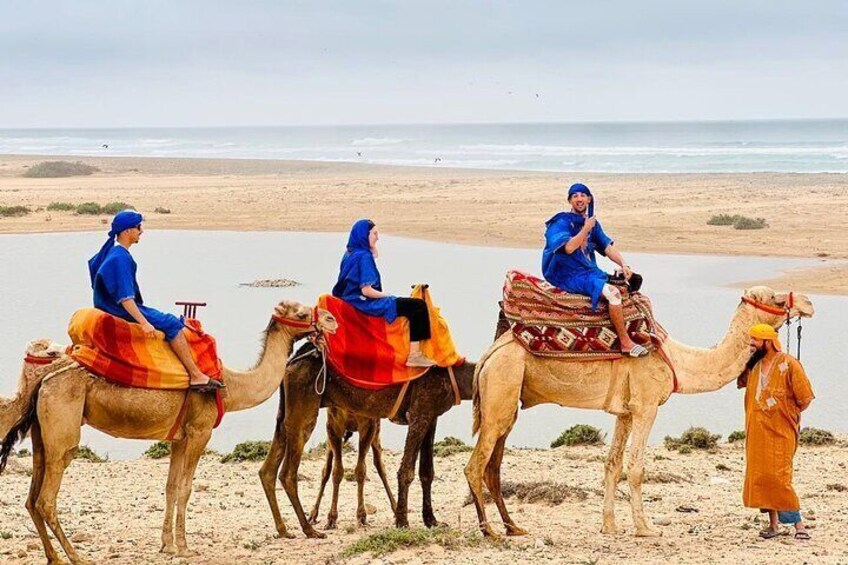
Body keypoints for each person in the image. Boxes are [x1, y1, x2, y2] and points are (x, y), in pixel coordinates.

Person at [88, 210, 224, 392]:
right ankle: (195, 375)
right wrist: (144, 323)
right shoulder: (120, 258)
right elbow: (125, 298)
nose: (141, 231)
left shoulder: (114, 254)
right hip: (118, 310)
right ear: (127, 231)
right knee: (171, 323)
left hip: (111, 306)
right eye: (138, 227)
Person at [542, 183, 647, 357]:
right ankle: (625, 342)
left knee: (628, 282)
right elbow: (568, 248)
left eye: (583, 195)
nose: (579, 199)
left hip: (587, 270)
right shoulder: (561, 222)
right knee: (613, 293)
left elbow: (607, 247)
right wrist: (585, 229)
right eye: (574, 196)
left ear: (589, 199)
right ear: (570, 200)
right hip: (567, 274)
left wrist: (624, 264)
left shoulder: (592, 223)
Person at [738, 323, 814, 540]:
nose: (751, 344)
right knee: (762, 477)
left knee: (780, 478)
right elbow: (739, 381)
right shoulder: (753, 365)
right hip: (757, 430)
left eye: (755, 340)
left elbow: (805, 398)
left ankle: (798, 525)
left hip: (781, 430)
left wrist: (787, 412)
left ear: (768, 342)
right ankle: (774, 525)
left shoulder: (789, 364)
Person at [332, 219, 434, 367]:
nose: (377, 237)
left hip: (352, 301)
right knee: (417, 306)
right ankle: (414, 355)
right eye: (374, 233)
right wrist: (388, 296)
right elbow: (366, 290)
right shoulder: (364, 257)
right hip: (366, 304)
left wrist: (372, 250)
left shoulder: (349, 254)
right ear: (364, 235)